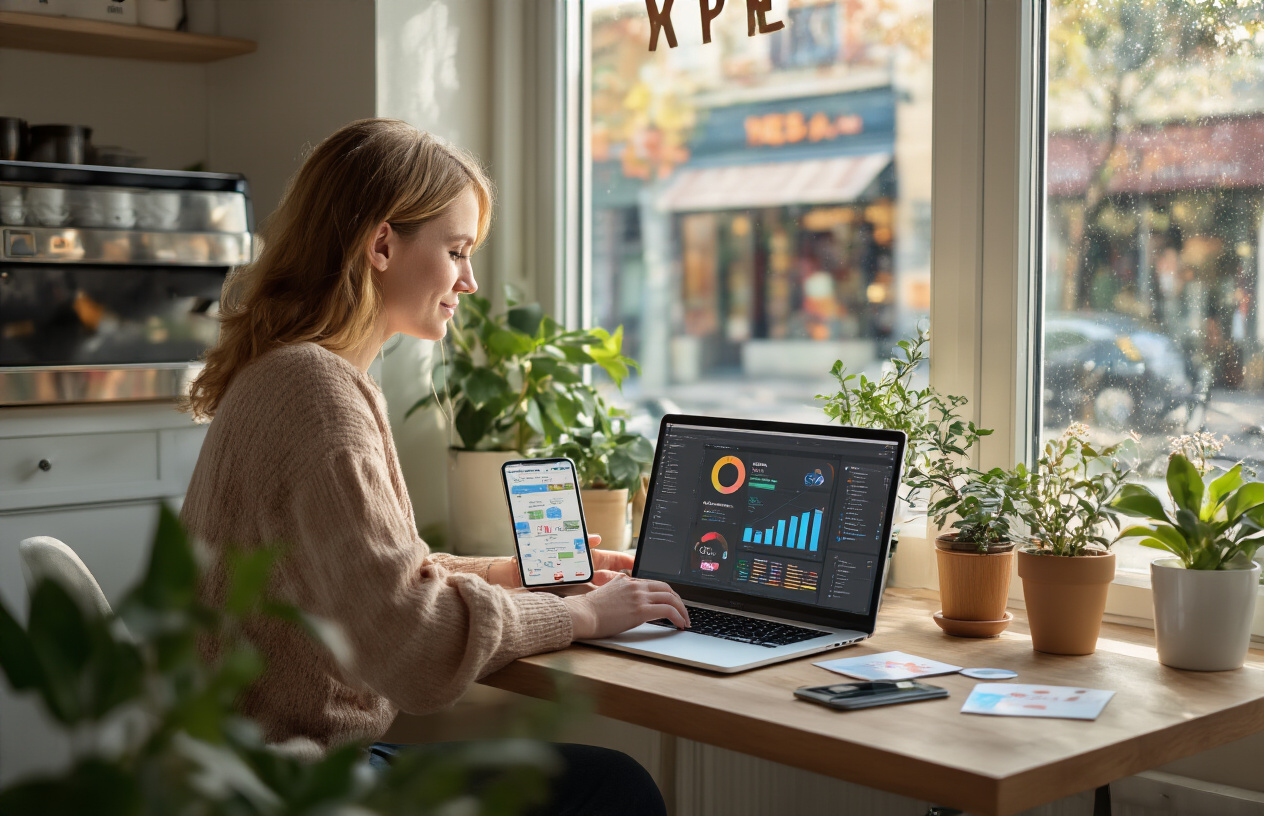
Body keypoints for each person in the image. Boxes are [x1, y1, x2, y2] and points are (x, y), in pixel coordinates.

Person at [179, 118, 689, 815]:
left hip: (243, 771)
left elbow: (374, 581)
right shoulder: (317, 393)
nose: (469, 281)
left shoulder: (290, 374)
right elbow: (414, 648)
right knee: (614, 787)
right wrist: (581, 615)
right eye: (457, 251)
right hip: (294, 786)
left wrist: (507, 575)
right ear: (382, 244)